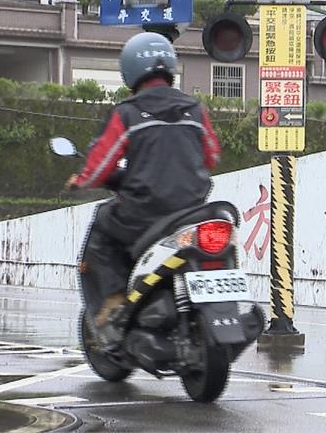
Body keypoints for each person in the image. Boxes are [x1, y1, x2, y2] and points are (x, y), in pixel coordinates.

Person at [66, 32, 221, 338]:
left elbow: (101, 166)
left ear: (130, 71)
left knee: (103, 222)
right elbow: (212, 156)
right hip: (192, 212)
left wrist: (81, 180)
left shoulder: (128, 113)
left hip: (144, 214)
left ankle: (112, 300)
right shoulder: (195, 110)